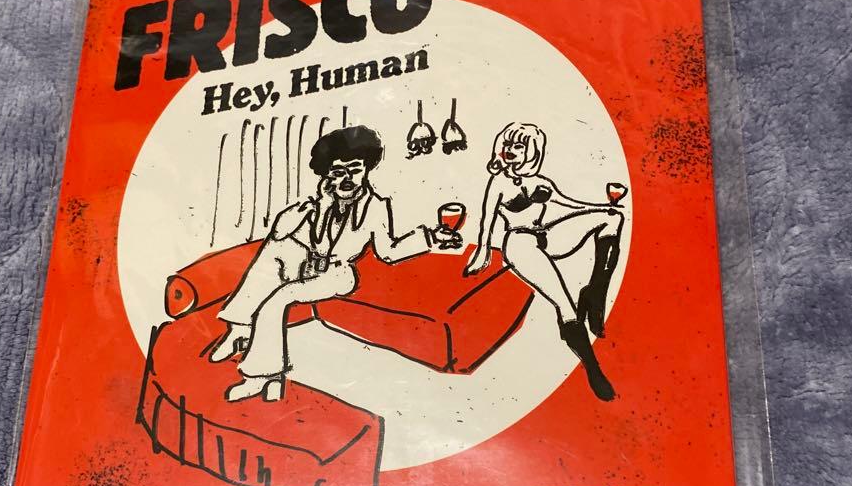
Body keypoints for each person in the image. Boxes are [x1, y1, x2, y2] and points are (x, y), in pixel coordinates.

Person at [212, 125, 460, 402]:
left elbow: (388, 251)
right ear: (328, 175)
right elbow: (279, 233)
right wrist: (315, 205)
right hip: (308, 265)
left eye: (354, 170)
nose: (347, 179)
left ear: (366, 169)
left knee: (280, 296)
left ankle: (263, 377)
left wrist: (430, 238)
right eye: (338, 172)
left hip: (337, 274)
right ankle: (239, 328)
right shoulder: (320, 201)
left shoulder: (376, 206)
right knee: (275, 252)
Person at [465, 122, 624, 401]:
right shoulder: (499, 181)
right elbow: (487, 220)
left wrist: (602, 208)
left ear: (531, 151)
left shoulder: (541, 181)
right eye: (508, 145)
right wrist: (483, 251)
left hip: (547, 235)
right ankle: (593, 368)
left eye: (519, 146)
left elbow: (569, 205)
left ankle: (594, 293)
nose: (511, 150)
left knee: (612, 218)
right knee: (565, 305)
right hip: (520, 243)